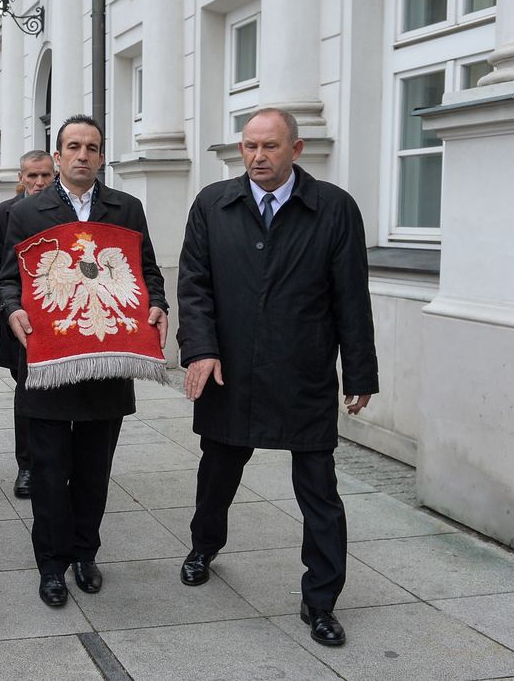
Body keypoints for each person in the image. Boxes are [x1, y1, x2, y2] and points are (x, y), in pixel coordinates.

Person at [176, 108, 377, 648]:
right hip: (229, 372)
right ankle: (203, 547)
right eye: (248, 147)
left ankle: (321, 601)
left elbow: (351, 297)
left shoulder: (334, 208)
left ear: (296, 149)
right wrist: (200, 350)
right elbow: (194, 287)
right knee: (217, 474)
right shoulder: (213, 205)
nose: (257, 157)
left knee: (319, 492)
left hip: (303, 372)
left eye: (269, 147)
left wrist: (359, 371)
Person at [0, 115, 168, 608]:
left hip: (106, 362)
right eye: (73, 146)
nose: (82, 155)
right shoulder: (29, 213)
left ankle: (85, 553)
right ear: (57, 156)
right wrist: (11, 310)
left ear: (101, 155)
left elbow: (147, 271)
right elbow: (11, 278)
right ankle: (51, 566)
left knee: (94, 471)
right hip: (51, 361)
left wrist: (157, 302)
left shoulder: (126, 209)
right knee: (50, 473)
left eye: (92, 147)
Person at [0, 150, 56, 499]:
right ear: (21, 178)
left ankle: (59, 462)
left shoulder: (65, 211)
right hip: (22, 318)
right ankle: (26, 466)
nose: (39, 183)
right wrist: (24, 297)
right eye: (33, 176)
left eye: (45, 176)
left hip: (61, 317)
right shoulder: (2, 213)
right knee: (27, 393)